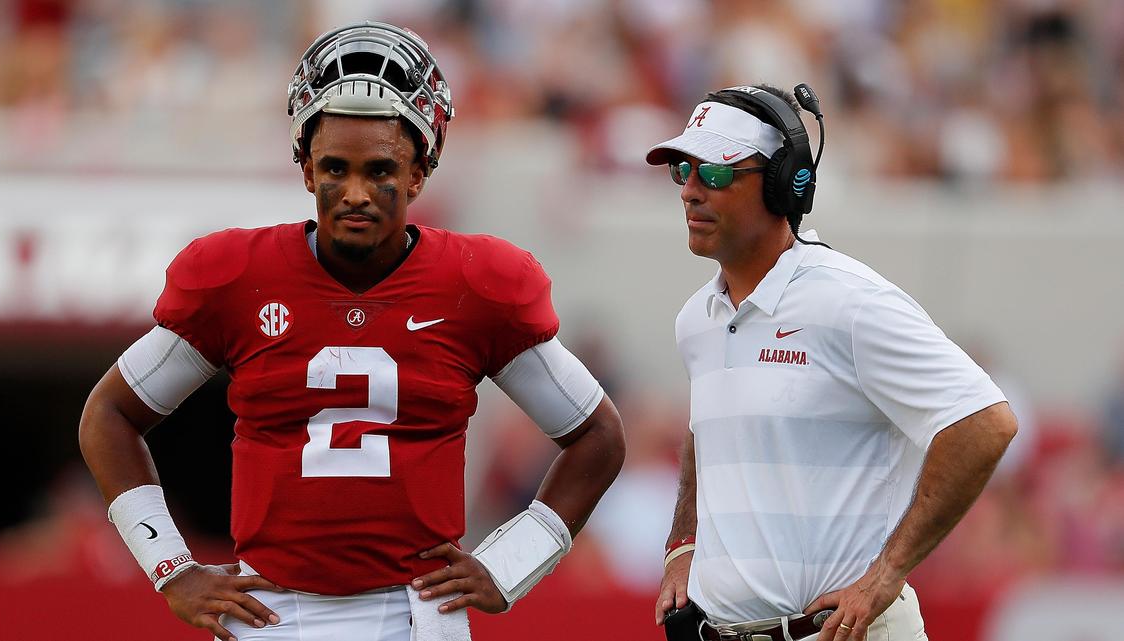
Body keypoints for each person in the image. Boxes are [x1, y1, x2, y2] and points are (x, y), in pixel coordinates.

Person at [78, 22, 625, 641]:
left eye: (382, 170)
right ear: (307, 171)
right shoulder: (237, 277)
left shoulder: (478, 283)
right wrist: (171, 570)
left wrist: (514, 561)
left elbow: (597, 435)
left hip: (416, 612)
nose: (356, 193)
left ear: (419, 173)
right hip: (269, 609)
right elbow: (109, 415)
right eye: (335, 168)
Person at [646, 84, 1017, 641]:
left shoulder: (851, 302)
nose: (691, 192)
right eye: (683, 172)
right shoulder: (696, 319)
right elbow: (710, 429)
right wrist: (683, 544)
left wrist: (886, 574)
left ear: (781, 183)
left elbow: (985, 422)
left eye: (715, 173)